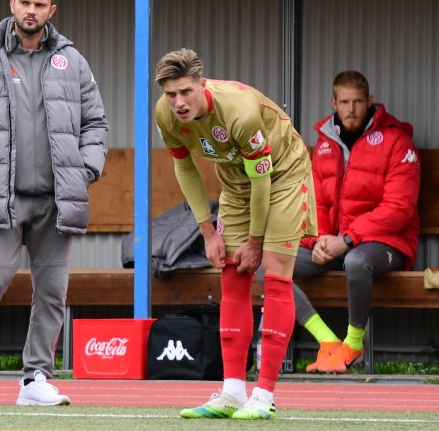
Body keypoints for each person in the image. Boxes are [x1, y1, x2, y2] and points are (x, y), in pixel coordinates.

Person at [0, 0, 108, 406]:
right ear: (12, 4)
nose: (31, 11)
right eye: (25, 3)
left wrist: (86, 167)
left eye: (40, 4)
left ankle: (35, 378)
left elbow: (95, 124)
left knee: (52, 292)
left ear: (52, 11)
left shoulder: (73, 62)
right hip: (0, 194)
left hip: (57, 199)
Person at [154, 48, 317, 420]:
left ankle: (264, 395)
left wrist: (256, 241)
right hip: (237, 184)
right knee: (232, 273)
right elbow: (186, 170)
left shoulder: (239, 112)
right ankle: (231, 392)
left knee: (275, 274)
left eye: (186, 92)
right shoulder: (166, 114)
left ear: (201, 83)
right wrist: (208, 232)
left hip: (283, 176)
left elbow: (263, 181)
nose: (179, 102)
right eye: (170, 94)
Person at [292, 70, 420, 373]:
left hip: (386, 244)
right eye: (345, 102)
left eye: (358, 101)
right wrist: (319, 240)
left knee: (356, 261)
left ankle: (353, 345)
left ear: (370, 101)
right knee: (269, 263)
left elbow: (399, 208)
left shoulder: (396, 141)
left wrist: (346, 240)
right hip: (334, 244)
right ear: (334, 102)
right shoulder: (324, 144)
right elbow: (315, 202)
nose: (351, 109)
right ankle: (327, 341)